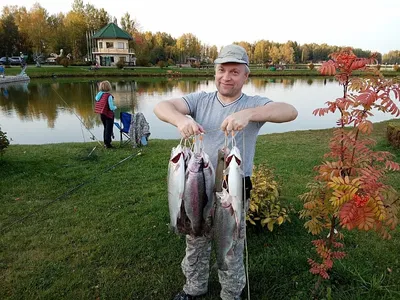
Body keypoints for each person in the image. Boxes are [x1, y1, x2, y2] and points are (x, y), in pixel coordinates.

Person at [153, 44, 298, 300]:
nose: (226, 77)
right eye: (222, 70)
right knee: (195, 239)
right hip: (196, 185)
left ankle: (231, 294)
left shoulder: (255, 104)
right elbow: (161, 106)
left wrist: (250, 114)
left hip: (233, 190)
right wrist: (181, 119)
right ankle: (193, 289)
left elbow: (290, 111)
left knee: (230, 244)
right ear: (215, 72)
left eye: (234, 71)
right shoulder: (199, 100)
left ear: (246, 76)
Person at [94, 80, 117, 148]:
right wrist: (115, 107)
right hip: (109, 115)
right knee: (109, 129)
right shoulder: (108, 96)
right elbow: (111, 107)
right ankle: (108, 144)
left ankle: (105, 143)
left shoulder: (99, 95)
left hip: (102, 114)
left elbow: (96, 99)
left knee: (105, 128)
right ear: (108, 87)